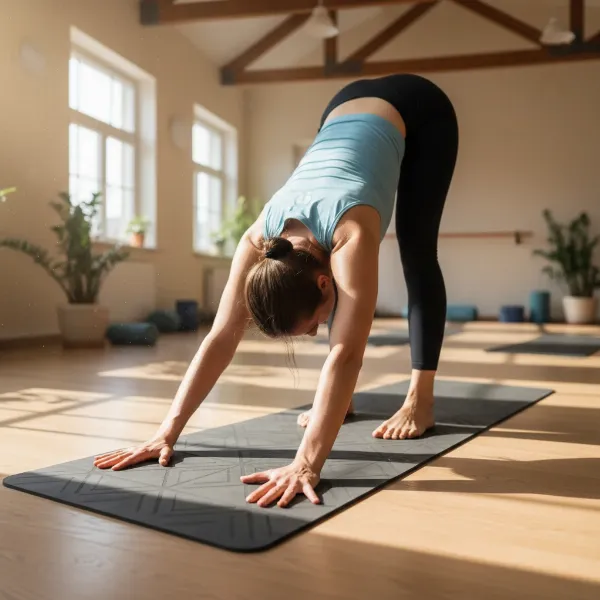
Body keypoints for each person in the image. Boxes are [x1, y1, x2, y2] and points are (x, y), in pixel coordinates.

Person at [94, 73, 459, 510]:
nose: (312, 336)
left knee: (417, 253)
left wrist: (306, 463)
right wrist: (165, 432)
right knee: (336, 319)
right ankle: (339, 405)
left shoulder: (351, 233)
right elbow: (222, 335)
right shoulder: (258, 241)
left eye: (308, 328)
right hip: (341, 106)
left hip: (420, 109)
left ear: (327, 282)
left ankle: (422, 400)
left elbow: (346, 354)